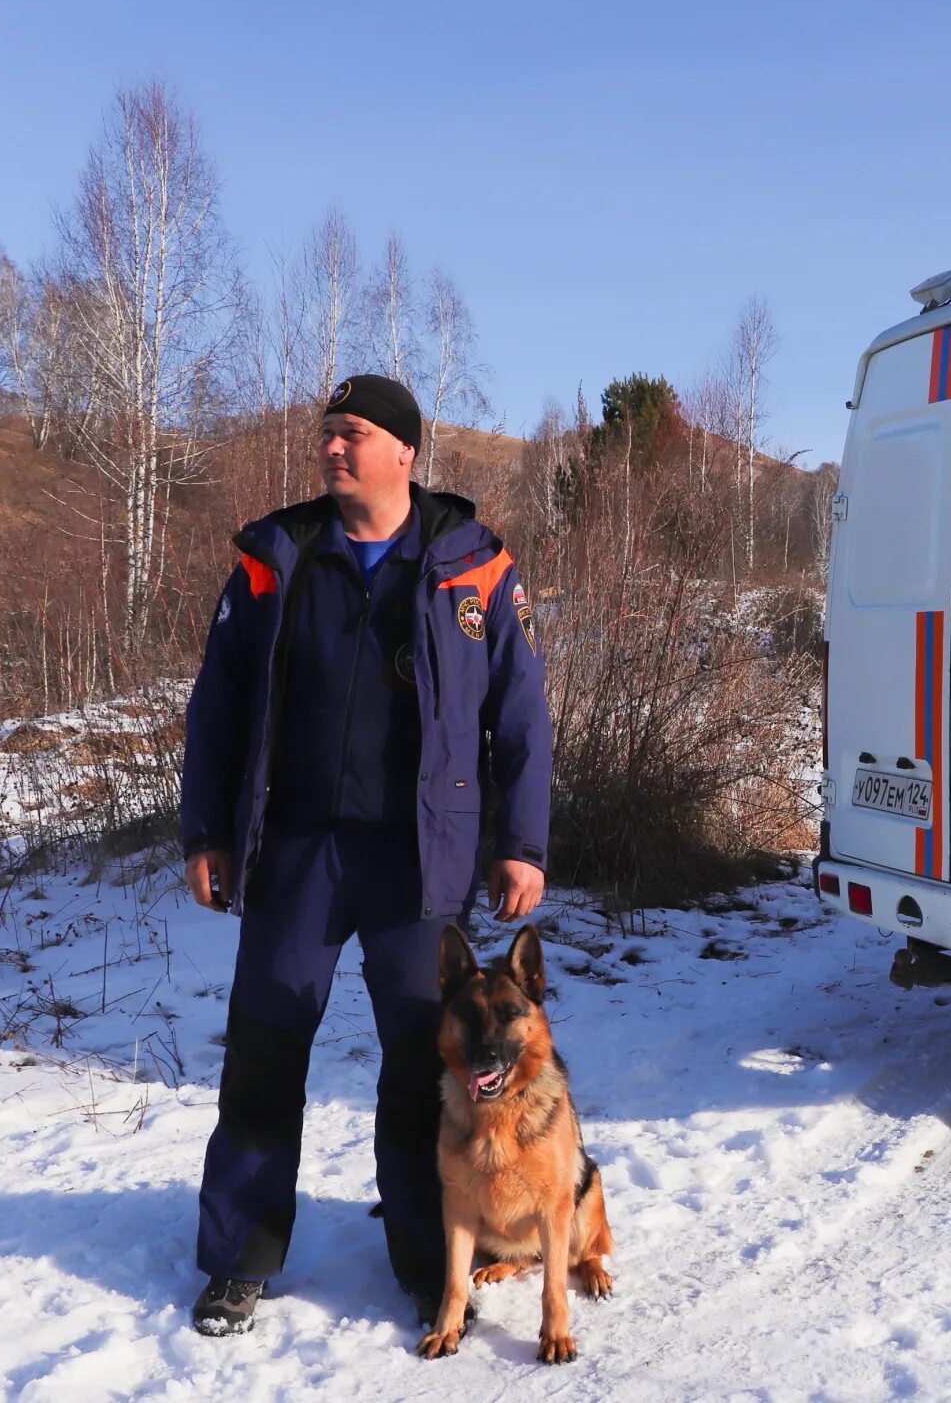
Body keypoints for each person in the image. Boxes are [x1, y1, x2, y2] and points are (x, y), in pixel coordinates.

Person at [180, 374, 553, 1335]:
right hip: (298, 849)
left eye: (352, 434)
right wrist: (208, 831)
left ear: (404, 453)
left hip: (418, 859)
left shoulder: (472, 566)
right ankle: (237, 1257)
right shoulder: (277, 558)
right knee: (265, 1053)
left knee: (421, 1067)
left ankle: (435, 1267)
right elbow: (217, 705)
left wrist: (522, 845)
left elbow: (519, 718)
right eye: (327, 433)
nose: (333, 448)